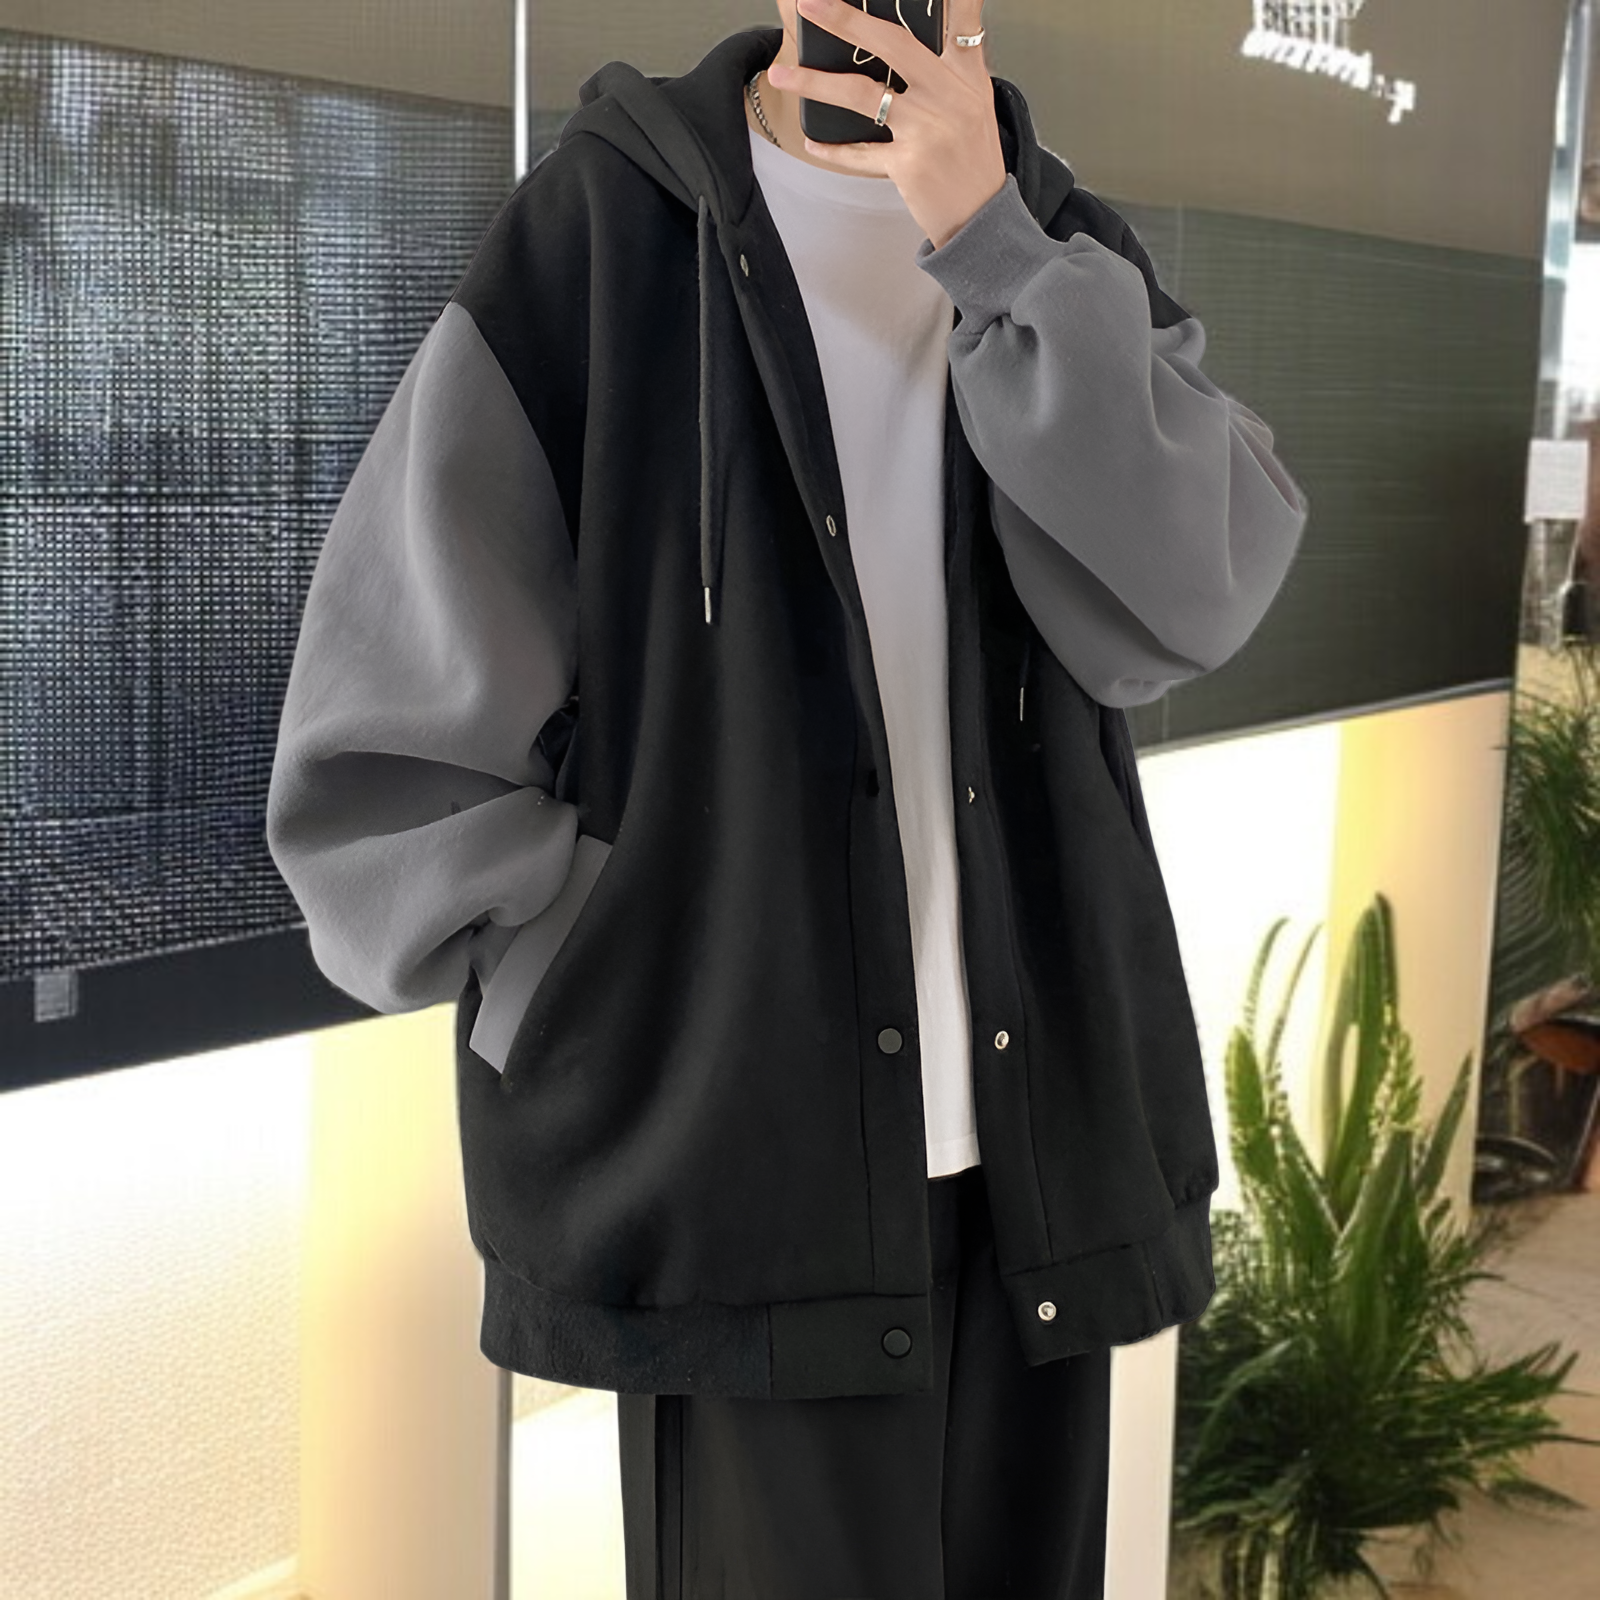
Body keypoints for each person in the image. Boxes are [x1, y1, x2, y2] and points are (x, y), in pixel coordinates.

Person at [265, 0, 1311, 1593]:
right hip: (744, 1180)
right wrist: (591, 975)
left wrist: (996, 246)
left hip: (1039, 1165)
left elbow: (1200, 589)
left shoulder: (1060, 242)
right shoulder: (606, 230)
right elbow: (381, 733)